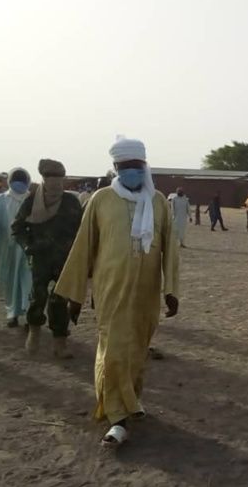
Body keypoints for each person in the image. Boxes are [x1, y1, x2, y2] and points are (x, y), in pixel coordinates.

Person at [55, 138, 179, 448]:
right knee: (112, 352)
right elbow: (84, 246)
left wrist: (171, 290)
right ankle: (117, 418)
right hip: (110, 290)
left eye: (136, 167)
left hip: (146, 294)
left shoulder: (158, 202)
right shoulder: (102, 199)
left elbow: (170, 249)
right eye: (125, 168)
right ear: (115, 169)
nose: (131, 173)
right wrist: (75, 295)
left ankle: (131, 402)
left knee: (136, 351)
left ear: (144, 167)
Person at [12, 159, 83, 358]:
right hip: (40, 259)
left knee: (60, 300)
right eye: (52, 182)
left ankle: (60, 343)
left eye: (60, 182)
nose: (56, 186)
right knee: (38, 297)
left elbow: (82, 230)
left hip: (64, 260)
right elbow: (17, 228)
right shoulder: (32, 201)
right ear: (44, 181)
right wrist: (27, 245)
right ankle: (34, 332)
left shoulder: (71, 202)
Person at [0, 168, 33, 328]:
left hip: (28, 249)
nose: (19, 183)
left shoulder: (33, 200)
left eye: (22, 180)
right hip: (7, 248)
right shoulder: (0, 200)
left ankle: (30, 315)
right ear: (10, 181)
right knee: (10, 283)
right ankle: (13, 313)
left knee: (29, 283)